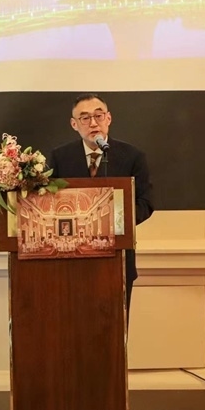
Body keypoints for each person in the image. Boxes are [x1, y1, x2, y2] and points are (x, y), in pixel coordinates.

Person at [47, 93, 154, 323]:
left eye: (98, 116)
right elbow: (49, 204)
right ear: (74, 124)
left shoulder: (132, 157)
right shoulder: (60, 157)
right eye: (85, 118)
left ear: (109, 118)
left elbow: (146, 203)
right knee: (73, 326)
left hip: (117, 259)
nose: (93, 123)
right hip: (71, 262)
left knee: (114, 328)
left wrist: (112, 223)